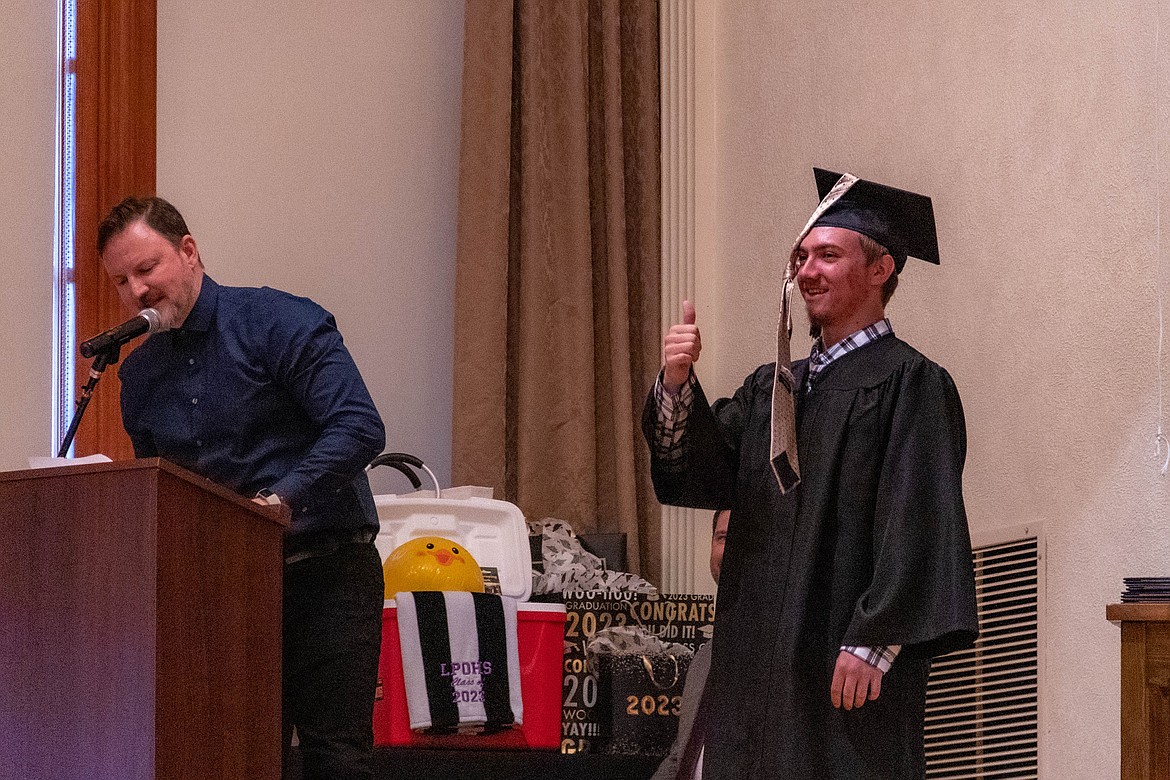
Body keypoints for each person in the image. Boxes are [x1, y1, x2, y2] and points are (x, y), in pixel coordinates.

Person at [643, 169, 978, 779]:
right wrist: (675, 384)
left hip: (844, 664)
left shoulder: (912, 384)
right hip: (759, 666)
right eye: (801, 257)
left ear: (881, 270)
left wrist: (872, 640)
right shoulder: (774, 389)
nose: (806, 271)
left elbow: (918, 517)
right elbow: (701, 474)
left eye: (828, 255)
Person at [97, 196, 386, 780]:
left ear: (189, 251)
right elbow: (166, 493)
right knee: (240, 756)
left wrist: (279, 498)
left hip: (326, 571)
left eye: (147, 269)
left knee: (337, 757)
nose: (137, 292)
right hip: (227, 591)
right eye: (122, 282)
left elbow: (359, 426)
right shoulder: (139, 376)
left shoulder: (279, 322)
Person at [650, 508, 729, 780]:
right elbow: (680, 757)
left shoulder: (785, 653)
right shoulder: (705, 658)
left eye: (743, 538)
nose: (729, 550)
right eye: (722, 537)